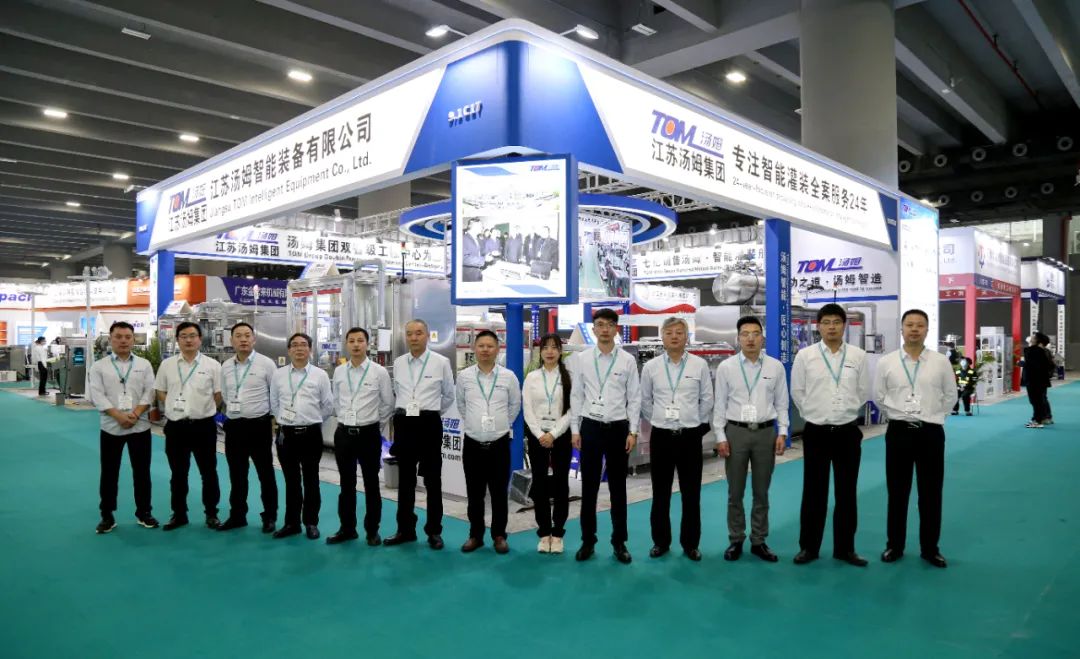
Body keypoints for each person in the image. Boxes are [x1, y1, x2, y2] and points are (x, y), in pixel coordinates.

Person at [790, 304, 871, 567]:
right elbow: (798, 391)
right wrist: (815, 413)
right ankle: (809, 547)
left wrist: (844, 411)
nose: (832, 327)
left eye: (836, 322)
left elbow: (863, 391)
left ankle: (845, 549)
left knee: (847, 492)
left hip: (847, 432)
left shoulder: (858, 356)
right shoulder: (806, 356)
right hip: (817, 432)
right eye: (826, 322)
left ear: (844, 325)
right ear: (818, 326)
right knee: (814, 492)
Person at [875, 309, 957, 568]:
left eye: (919, 325)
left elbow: (950, 395)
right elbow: (879, 396)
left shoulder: (940, 362)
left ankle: (930, 548)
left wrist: (932, 416)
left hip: (930, 433)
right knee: (897, 492)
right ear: (901, 329)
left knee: (931, 493)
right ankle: (894, 545)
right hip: (898, 432)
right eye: (909, 324)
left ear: (927, 330)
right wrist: (898, 415)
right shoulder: (887, 362)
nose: (914, 329)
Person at [712, 315, 789, 563]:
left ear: (762, 338)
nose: (751, 339)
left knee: (761, 491)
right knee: (735, 491)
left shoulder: (775, 367)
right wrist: (720, 435)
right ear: (738, 338)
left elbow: (782, 403)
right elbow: (719, 405)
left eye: (755, 334)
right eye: (745, 334)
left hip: (766, 433)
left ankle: (759, 540)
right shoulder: (727, 367)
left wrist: (783, 431)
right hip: (736, 432)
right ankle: (736, 539)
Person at [570, 308, 641, 564]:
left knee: (618, 488)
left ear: (616, 329)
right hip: (590, 427)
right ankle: (588, 541)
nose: (604, 329)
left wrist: (633, 430)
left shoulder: (627, 360)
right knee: (588, 488)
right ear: (594, 329)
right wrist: (575, 429)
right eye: (600, 324)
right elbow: (576, 394)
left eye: (610, 325)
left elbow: (634, 397)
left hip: (618, 429)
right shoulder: (582, 359)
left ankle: (619, 542)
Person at [640, 317, 713, 562]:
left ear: (686, 337)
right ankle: (660, 542)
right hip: (661, 436)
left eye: (679, 332)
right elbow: (645, 401)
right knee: (660, 493)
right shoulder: (651, 367)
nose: (674, 336)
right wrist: (660, 419)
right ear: (662, 336)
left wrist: (693, 422)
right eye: (669, 332)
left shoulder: (699, 365)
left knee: (691, 493)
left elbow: (707, 399)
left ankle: (690, 543)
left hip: (689, 436)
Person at [385, 319, 455, 550]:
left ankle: (434, 531)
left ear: (427, 335)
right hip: (404, 423)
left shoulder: (440, 362)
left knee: (433, 480)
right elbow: (398, 391)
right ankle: (405, 529)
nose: (413, 338)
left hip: (429, 424)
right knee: (405, 480)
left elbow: (448, 395)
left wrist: (430, 413)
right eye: (409, 334)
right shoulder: (399, 363)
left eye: (418, 333)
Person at [88, 321, 157, 533]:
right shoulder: (99, 366)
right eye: (118, 337)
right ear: (110, 339)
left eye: (128, 337)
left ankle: (144, 512)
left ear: (134, 339)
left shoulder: (144, 364)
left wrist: (135, 414)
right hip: (111, 427)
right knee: (109, 472)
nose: (123, 341)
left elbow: (150, 392)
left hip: (139, 426)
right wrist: (118, 416)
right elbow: (97, 395)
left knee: (142, 472)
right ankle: (107, 515)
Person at [154, 322, 224, 531]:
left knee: (208, 472)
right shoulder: (167, 365)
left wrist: (202, 408)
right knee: (178, 473)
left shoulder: (212, 365)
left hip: (204, 427)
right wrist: (174, 407)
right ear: (177, 340)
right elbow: (160, 390)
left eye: (193, 335)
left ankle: (211, 513)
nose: (188, 340)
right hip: (176, 427)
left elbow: (218, 394)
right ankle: (179, 514)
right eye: (183, 336)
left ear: (200, 339)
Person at [456, 330, 521, 554]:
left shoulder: (508, 377)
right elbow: (461, 405)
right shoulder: (464, 376)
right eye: (481, 346)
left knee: (499, 493)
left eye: (490, 346)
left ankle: (499, 535)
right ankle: (475, 535)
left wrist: (501, 425)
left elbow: (514, 406)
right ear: (474, 348)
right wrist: (475, 424)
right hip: (473, 443)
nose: (485, 350)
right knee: (474, 493)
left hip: (499, 444)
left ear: (498, 349)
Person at [328, 327, 394, 546]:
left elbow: (388, 403)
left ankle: (372, 530)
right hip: (344, 434)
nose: (356, 345)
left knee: (371, 484)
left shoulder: (379, 372)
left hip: (368, 435)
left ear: (368, 344)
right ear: (346, 344)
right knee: (346, 484)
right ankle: (347, 528)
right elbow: (336, 401)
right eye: (352, 341)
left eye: (360, 340)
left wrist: (374, 425)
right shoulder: (339, 372)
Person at [269, 333, 333, 540]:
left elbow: (327, 405)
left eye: (303, 345)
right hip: (286, 435)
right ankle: (292, 523)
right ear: (289, 350)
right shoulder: (278, 375)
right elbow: (274, 403)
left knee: (312, 479)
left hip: (311, 434)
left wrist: (311, 420)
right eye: (294, 345)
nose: (299, 348)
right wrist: (285, 420)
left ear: (310, 350)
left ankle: (311, 522)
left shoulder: (320, 375)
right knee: (291, 481)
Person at [218, 322, 279, 533]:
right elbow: (225, 394)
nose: (243, 339)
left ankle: (269, 516)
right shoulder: (226, 366)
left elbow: (275, 394)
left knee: (265, 474)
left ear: (254, 339)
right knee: (237, 474)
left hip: (259, 426)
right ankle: (237, 515)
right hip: (234, 427)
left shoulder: (266, 364)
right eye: (238, 336)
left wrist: (272, 422)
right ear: (231, 340)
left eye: (247, 335)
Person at [522, 333, 572, 553]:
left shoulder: (569, 377)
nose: (550, 351)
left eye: (554, 347)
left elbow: (571, 409)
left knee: (561, 483)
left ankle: (558, 533)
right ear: (540, 352)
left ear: (560, 351)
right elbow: (527, 409)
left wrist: (553, 433)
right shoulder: (532, 377)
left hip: (561, 436)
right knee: (540, 483)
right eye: (545, 347)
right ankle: (544, 533)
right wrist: (539, 434)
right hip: (537, 437)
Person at [1022, 332, 1053, 429]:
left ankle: (1038, 420)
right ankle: (1040, 418)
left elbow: (1033, 365)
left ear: (1038, 341)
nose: (1031, 338)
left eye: (1034, 337)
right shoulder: (1042, 351)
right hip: (1040, 380)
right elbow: (1049, 365)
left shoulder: (1034, 351)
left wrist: (1023, 364)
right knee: (1039, 400)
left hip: (1034, 380)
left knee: (1036, 401)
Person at [1037, 333, 1055, 425]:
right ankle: (1046, 417)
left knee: (1041, 398)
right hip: (1042, 378)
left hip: (1039, 378)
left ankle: (1046, 417)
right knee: (1042, 397)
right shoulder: (1046, 351)